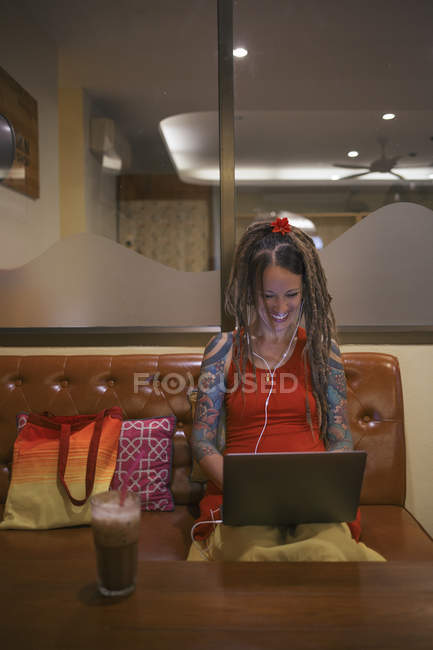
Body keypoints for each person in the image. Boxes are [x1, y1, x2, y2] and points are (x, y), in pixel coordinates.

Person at [188, 217, 385, 562]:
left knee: (326, 554)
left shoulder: (324, 353)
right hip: (241, 499)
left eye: (291, 295)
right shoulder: (222, 350)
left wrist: (323, 490)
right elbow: (202, 440)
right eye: (268, 296)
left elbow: (341, 440)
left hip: (313, 501)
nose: (280, 309)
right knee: (253, 557)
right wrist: (241, 488)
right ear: (251, 290)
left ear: (306, 290)